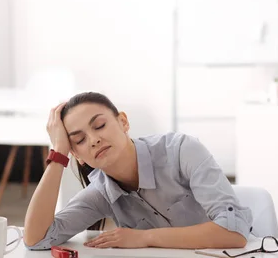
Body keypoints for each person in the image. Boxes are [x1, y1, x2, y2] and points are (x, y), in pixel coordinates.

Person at [23, 91, 253, 250]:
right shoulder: (101, 193)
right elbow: (37, 240)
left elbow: (234, 232)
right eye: (80, 140)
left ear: (123, 122)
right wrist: (59, 154)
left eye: (100, 125)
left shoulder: (181, 151)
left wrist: (145, 237)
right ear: (78, 157)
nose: (94, 140)